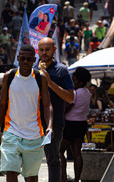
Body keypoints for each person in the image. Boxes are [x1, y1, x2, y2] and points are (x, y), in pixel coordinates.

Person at [0, 44, 53, 182]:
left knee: (31, 175)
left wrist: (50, 125)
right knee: (11, 171)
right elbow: (1, 104)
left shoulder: (40, 78)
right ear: (18, 59)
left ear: (34, 60)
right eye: (23, 58)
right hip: (11, 132)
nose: (25, 62)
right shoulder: (10, 76)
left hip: (34, 135)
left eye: (29, 59)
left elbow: (47, 104)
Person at [37, 37, 75, 182]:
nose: (44, 53)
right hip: (32, 123)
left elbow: (70, 98)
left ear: (54, 50)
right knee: (28, 160)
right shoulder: (31, 69)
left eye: (47, 49)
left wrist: (50, 82)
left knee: (53, 160)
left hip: (54, 124)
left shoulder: (61, 70)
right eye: (41, 50)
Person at [60, 67, 91, 182]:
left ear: (80, 82)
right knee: (77, 153)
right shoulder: (87, 93)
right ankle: (77, 179)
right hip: (82, 124)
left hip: (70, 124)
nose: (72, 83)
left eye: (74, 80)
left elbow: (68, 106)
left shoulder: (75, 93)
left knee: (59, 151)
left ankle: (64, 178)